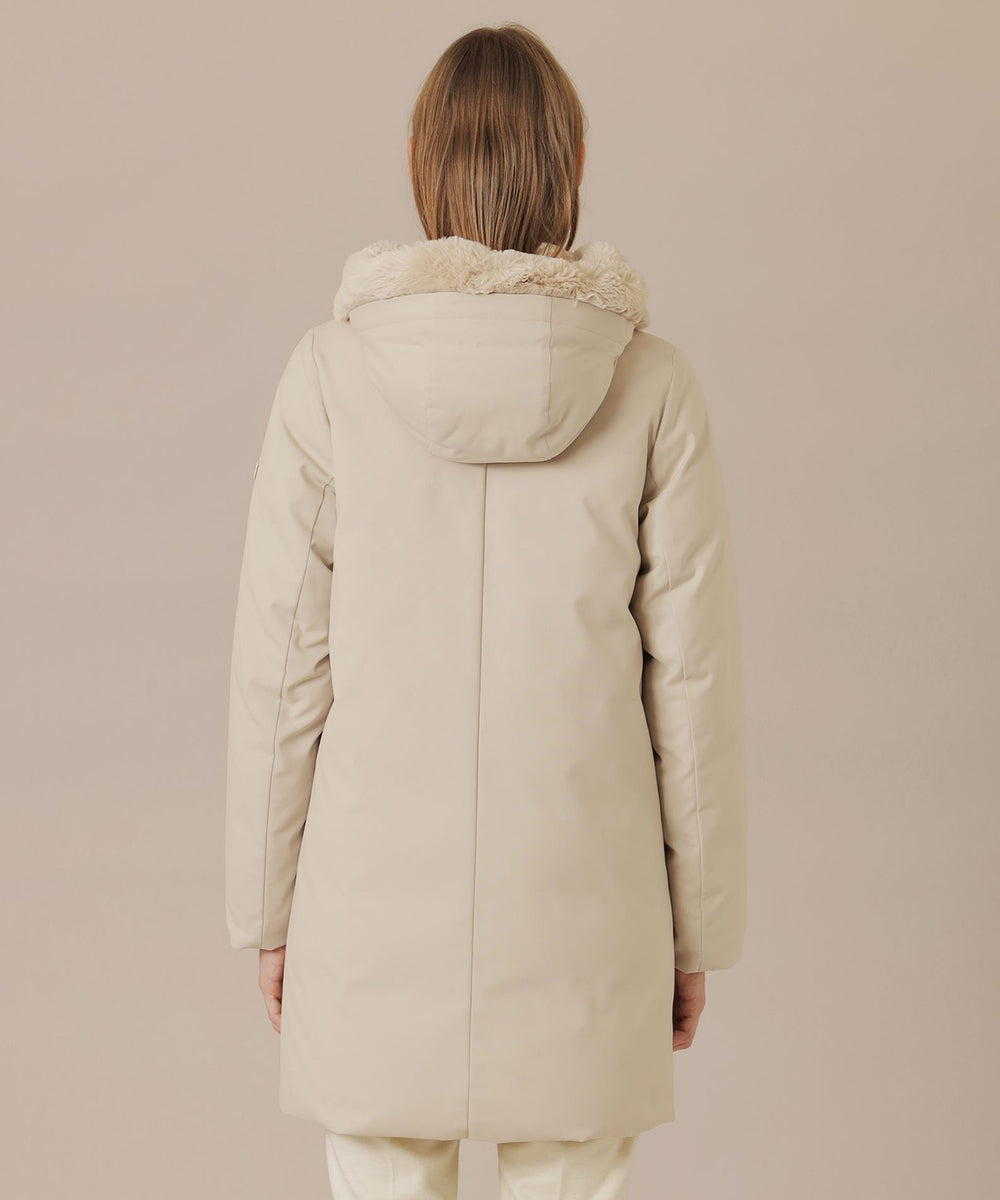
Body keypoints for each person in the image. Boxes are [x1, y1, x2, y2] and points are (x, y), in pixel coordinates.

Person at [225, 21, 748, 1200]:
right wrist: (698, 930)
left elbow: (282, 672)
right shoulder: (654, 386)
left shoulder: (328, 377)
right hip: (588, 916)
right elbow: (693, 688)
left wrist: (266, 914)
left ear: (423, 165)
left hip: (369, 917)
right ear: (571, 164)